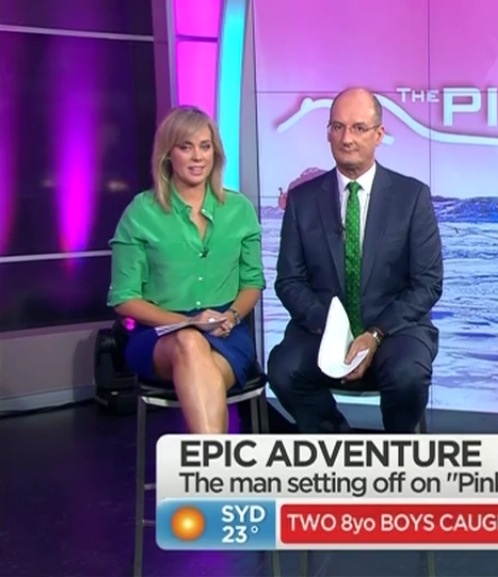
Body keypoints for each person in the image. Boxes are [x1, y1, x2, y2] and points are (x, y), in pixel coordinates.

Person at [267, 87, 443, 433]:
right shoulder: (302, 201)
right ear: (328, 133)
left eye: (359, 128)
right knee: (284, 369)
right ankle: (340, 446)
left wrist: (375, 334)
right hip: (322, 328)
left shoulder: (411, 197)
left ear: (379, 134)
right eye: (338, 127)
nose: (346, 138)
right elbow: (289, 281)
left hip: (394, 329)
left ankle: (398, 456)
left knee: (407, 375)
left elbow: (428, 283)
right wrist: (335, 332)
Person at [107, 105, 265, 434]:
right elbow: (124, 298)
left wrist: (231, 316)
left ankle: (208, 463)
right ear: (168, 155)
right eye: (185, 147)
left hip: (226, 331)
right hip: (158, 335)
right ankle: (215, 462)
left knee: (199, 364)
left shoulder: (239, 209)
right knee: (189, 343)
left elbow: (252, 282)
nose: (197, 157)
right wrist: (187, 323)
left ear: (215, 154)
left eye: (205, 147)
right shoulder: (141, 212)